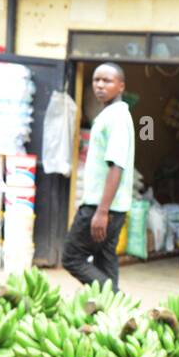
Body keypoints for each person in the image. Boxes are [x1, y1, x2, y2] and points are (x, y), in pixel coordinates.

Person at [62, 62, 135, 290]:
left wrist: (101, 211)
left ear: (121, 86)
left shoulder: (117, 117)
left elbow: (117, 166)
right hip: (110, 207)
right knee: (105, 260)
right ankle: (114, 315)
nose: (100, 85)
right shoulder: (110, 114)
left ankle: (116, 298)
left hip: (101, 207)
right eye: (97, 80)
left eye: (107, 81)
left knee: (72, 257)